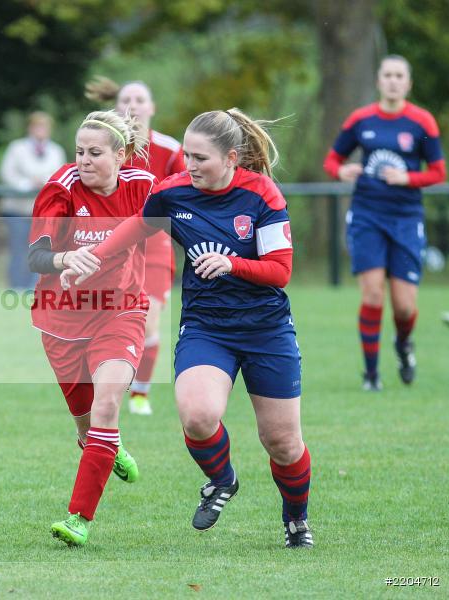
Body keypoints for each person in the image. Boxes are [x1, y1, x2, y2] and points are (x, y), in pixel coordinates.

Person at [62, 108, 314, 549]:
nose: (189, 166)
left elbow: (280, 270)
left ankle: (296, 520)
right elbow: (133, 229)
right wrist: (87, 262)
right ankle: (223, 479)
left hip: (266, 330)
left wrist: (231, 263)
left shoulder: (263, 195)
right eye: (187, 156)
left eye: (200, 158)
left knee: (282, 442)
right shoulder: (174, 192)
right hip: (206, 326)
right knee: (197, 416)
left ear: (231, 158)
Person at [27, 110, 154, 547]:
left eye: (95, 153)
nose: (84, 159)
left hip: (121, 311)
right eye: (79, 151)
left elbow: (188, 203)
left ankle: (78, 518)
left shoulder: (141, 184)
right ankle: (105, 445)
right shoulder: (59, 189)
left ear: (120, 155)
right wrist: (65, 259)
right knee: (87, 430)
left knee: (106, 408)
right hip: (61, 322)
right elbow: (35, 257)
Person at [323, 55, 446, 391]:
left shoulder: (422, 122)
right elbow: (332, 160)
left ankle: (404, 345)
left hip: (406, 218)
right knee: (374, 295)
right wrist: (341, 171)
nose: (393, 81)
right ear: (379, 81)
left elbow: (438, 172)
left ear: (408, 83)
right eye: (387, 75)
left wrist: (408, 177)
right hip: (366, 216)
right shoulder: (361, 120)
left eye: (399, 76)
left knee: (405, 306)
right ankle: (371, 375)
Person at [87, 76, 186, 416]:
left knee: (147, 321)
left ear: (152, 107)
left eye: (141, 99)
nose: (133, 104)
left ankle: (140, 392)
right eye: (126, 98)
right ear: (116, 107)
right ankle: (107, 388)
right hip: (111, 243)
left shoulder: (171, 150)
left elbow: (187, 193)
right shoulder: (104, 149)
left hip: (154, 243)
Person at [0, 111, 66, 289]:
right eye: (37, 126)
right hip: (18, 210)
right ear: (30, 128)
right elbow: (7, 173)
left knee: (41, 251)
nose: (41, 130)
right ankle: (16, 288)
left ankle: (35, 289)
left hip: (44, 212)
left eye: (44, 126)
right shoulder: (17, 148)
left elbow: (60, 176)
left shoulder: (56, 151)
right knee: (18, 251)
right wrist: (26, 183)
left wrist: (43, 182)